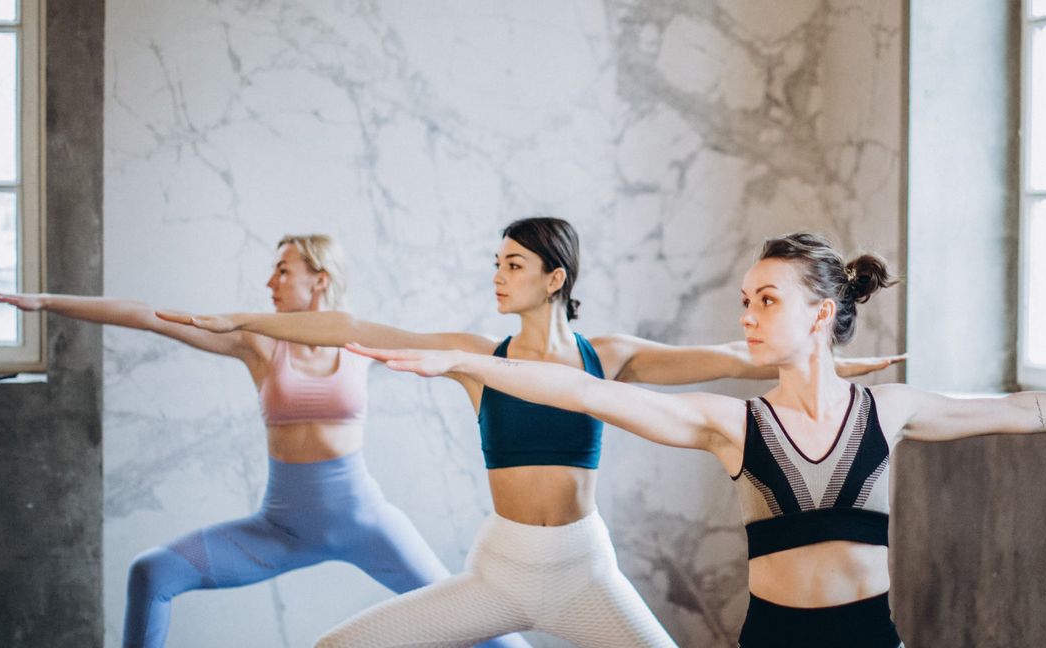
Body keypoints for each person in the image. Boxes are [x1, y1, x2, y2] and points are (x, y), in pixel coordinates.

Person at [340, 232, 1046, 647]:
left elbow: (1028, 412)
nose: (746, 315)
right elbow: (584, 391)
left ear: (819, 314)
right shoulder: (732, 423)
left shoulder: (889, 410)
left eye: (765, 300)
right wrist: (461, 360)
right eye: (744, 299)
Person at [168, 219, 903, 647]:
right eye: (497, 263)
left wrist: (840, 360)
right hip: (501, 567)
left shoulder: (605, 356)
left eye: (513, 264)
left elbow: (735, 358)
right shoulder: (477, 357)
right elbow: (354, 326)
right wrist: (246, 319)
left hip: (584, 568)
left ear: (554, 277)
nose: (498, 274)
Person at [0, 235, 527, 648]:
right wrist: (48, 302)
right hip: (281, 529)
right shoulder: (259, 344)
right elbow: (149, 317)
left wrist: (546, 366)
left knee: (478, 620)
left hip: (366, 524)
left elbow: (455, 347)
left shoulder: (360, 339)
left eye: (282, 270)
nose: (269, 283)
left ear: (320, 278)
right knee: (152, 573)